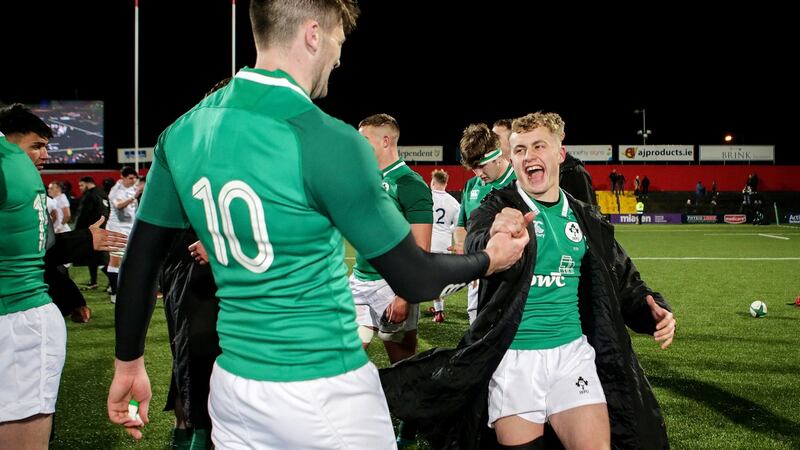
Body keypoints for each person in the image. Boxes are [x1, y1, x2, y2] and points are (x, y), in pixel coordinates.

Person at [106, 2, 528, 449]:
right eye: (337, 41)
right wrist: (490, 258)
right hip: (323, 385)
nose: (338, 57)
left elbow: (140, 259)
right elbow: (415, 275)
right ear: (313, 34)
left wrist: (128, 362)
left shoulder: (182, 131)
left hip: (233, 387)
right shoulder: (327, 138)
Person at [474, 112, 675, 448]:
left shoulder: (586, 218)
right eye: (520, 150)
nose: (529, 156)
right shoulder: (498, 207)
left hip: (572, 356)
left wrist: (650, 310)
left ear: (560, 154)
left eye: (539, 146)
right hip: (515, 359)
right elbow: (478, 241)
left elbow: (621, 277)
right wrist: (491, 237)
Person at [350, 113, 432, 449]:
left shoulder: (411, 184)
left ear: (386, 141)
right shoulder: (362, 178)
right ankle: (355, 426)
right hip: (358, 282)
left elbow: (421, 250)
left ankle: (410, 426)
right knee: (349, 358)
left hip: (391, 287)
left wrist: (404, 295)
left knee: (403, 366)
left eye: (365, 139)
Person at [454, 123, 516, 323]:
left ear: (497, 156)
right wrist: (469, 258)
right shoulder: (472, 186)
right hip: (479, 276)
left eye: (482, 166)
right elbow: (461, 226)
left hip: (514, 279)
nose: (478, 174)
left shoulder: (521, 182)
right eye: (473, 168)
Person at [106, 166, 142, 303]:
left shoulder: (134, 188)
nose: (133, 180)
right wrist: (134, 196)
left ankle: (125, 288)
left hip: (131, 229)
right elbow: (119, 205)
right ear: (123, 177)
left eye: (135, 178)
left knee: (131, 261)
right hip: (117, 229)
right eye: (130, 178)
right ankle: (114, 293)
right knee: (115, 261)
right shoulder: (116, 190)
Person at [429, 168, 460, 323]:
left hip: (426, 242)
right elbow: (458, 226)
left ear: (433, 182)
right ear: (446, 183)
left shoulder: (426, 197)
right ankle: (439, 310)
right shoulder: (454, 203)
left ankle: (407, 309)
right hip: (444, 245)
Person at [74, 176, 110, 290]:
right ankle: (94, 281)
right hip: (102, 228)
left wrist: (78, 230)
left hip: (91, 230)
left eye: (81, 185)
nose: (80, 188)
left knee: (99, 258)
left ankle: (115, 281)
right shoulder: (102, 193)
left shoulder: (89, 195)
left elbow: (83, 215)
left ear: (88, 184)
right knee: (94, 257)